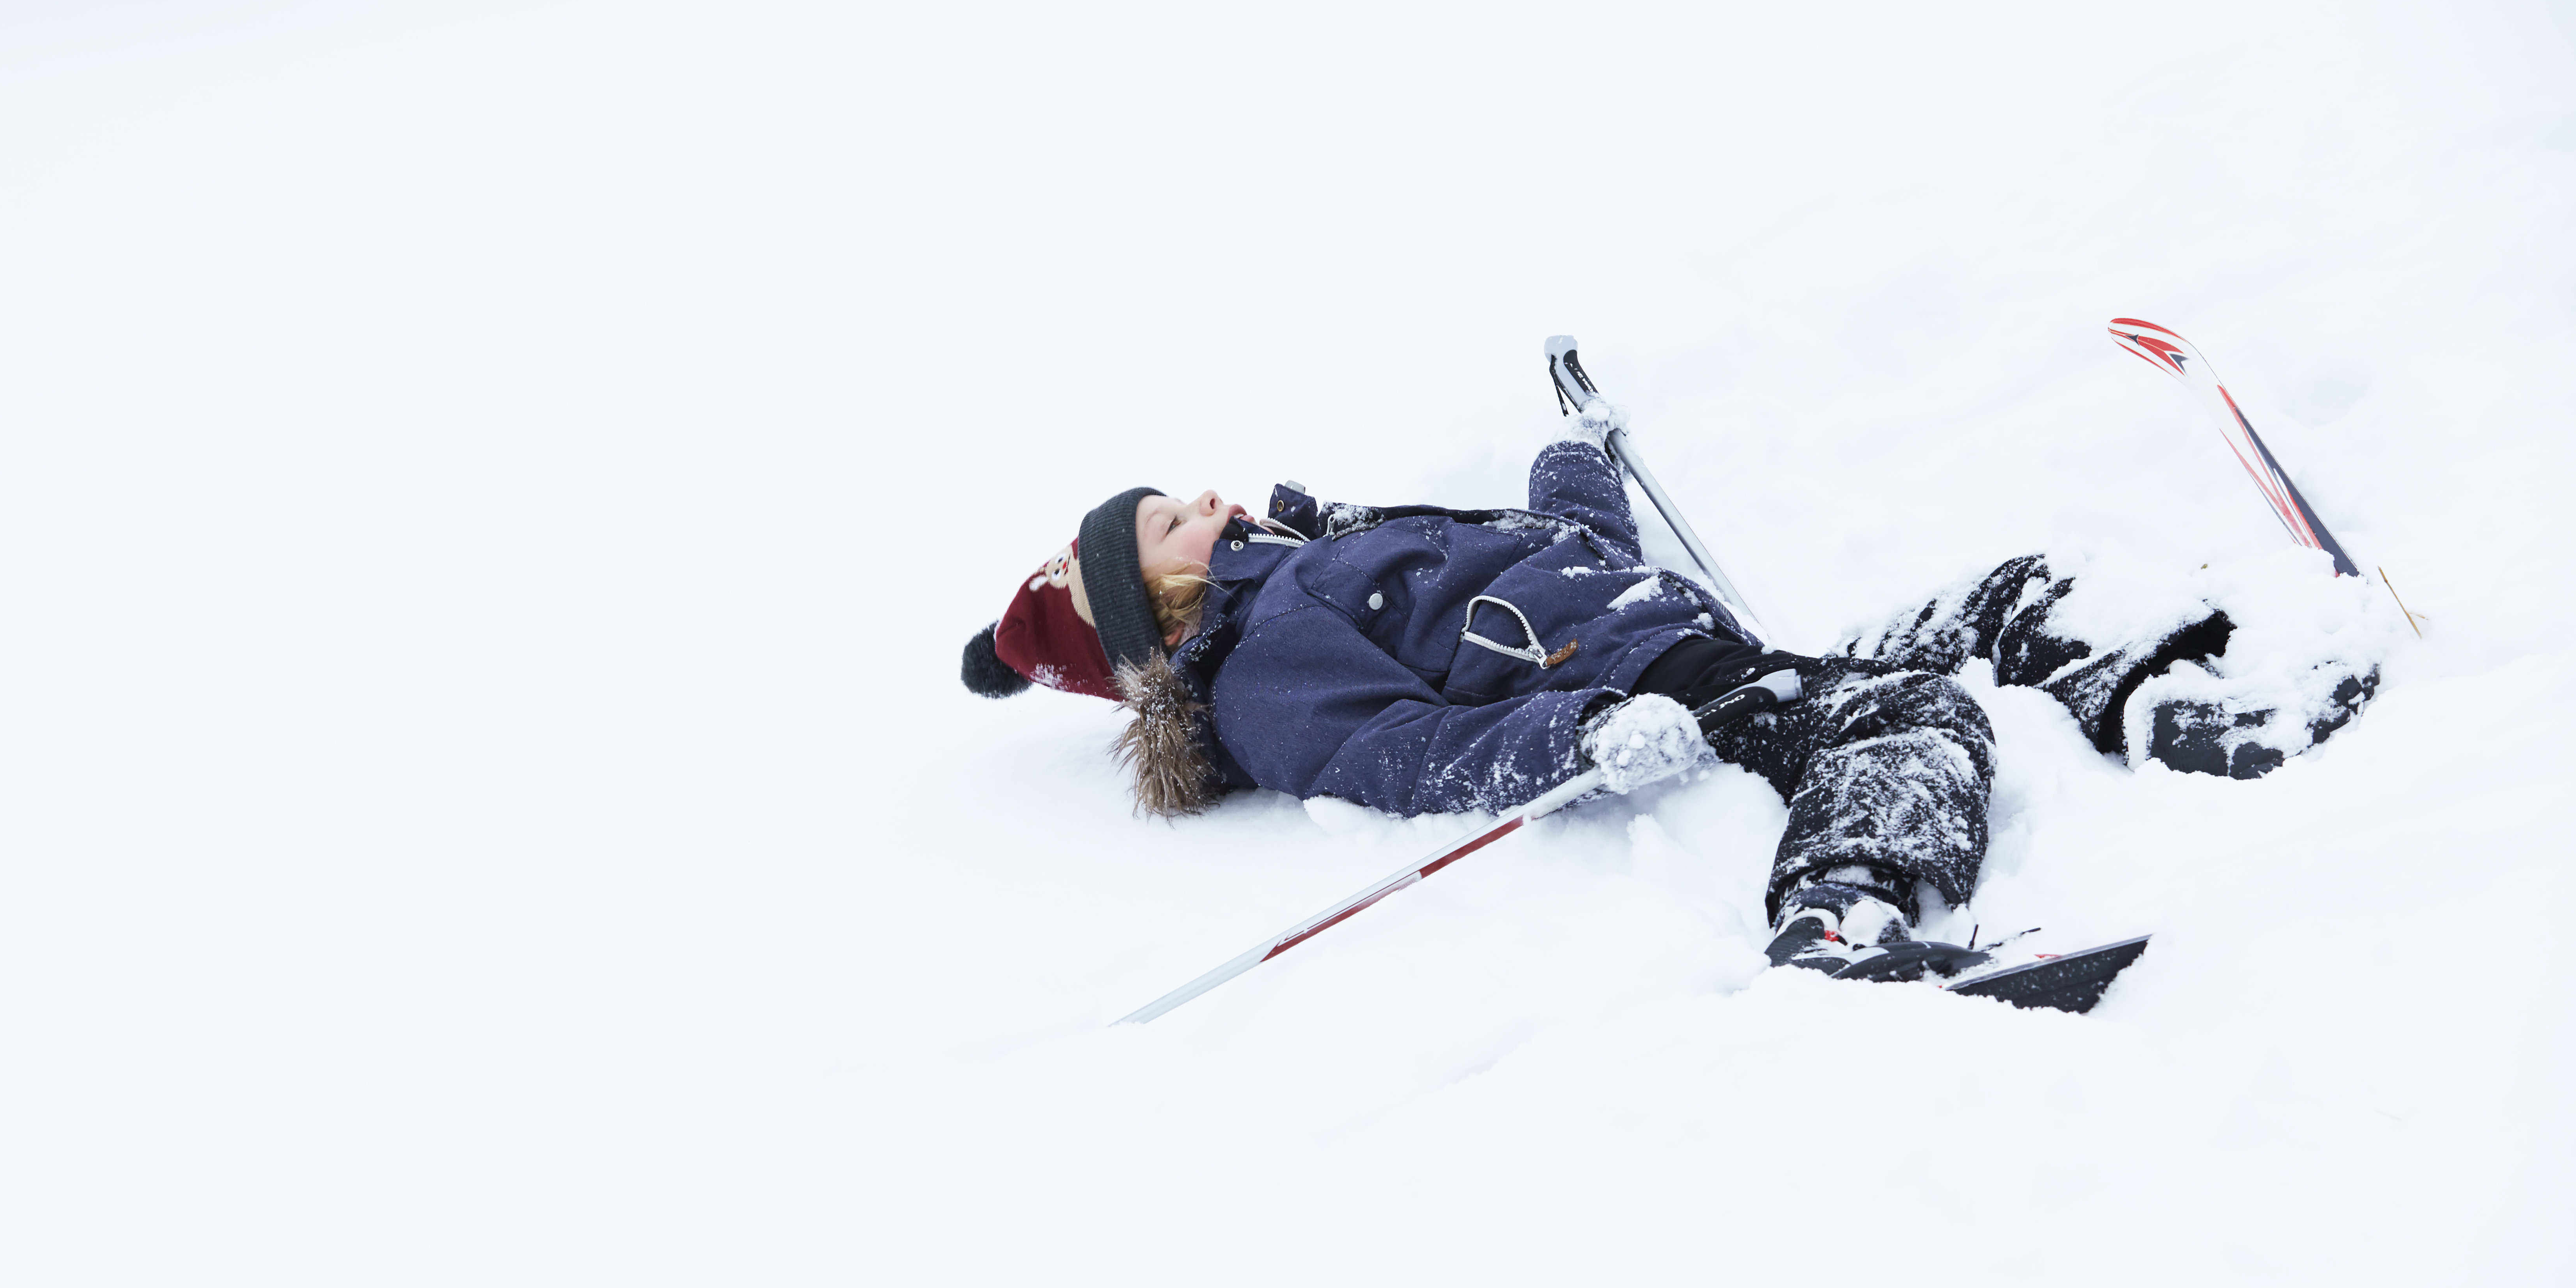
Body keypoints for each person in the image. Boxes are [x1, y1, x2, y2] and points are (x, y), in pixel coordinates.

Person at [960, 406, 2377, 985]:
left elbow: (1556, 566)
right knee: (1917, 717)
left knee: (2014, 590)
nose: (1203, 500)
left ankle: (2166, 709)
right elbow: (1402, 754)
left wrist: (1575, 467)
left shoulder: (1324, 552)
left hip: (1706, 639)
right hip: (1672, 686)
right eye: (1167, 526)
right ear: (1166, 609)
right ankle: (1839, 917)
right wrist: (1577, 733)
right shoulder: (1266, 667)